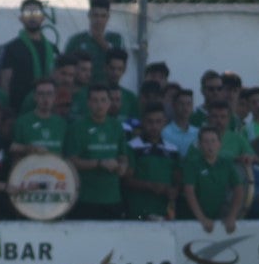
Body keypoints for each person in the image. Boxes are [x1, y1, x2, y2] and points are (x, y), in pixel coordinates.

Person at [64, 85, 127, 220]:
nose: (99, 105)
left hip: (112, 198)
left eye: (103, 100)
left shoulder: (116, 126)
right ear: (88, 103)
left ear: (109, 103)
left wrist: (122, 166)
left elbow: (122, 156)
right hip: (86, 198)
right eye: (95, 100)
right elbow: (71, 161)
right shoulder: (77, 127)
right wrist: (99, 163)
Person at [0, 0, 59, 116]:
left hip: (48, 111)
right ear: (21, 18)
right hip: (19, 109)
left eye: (36, 13)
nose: (32, 17)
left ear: (43, 17)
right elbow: (5, 81)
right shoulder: (11, 48)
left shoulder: (52, 49)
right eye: (27, 13)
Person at [123, 103, 180, 220]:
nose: (154, 126)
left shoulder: (173, 149)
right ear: (143, 122)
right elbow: (126, 180)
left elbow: (177, 179)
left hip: (165, 213)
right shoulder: (131, 147)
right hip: (137, 212)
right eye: (150, 122)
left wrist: (174, 190)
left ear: (164, 123)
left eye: (158, 122)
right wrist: (150, 186)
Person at [182, 127, 243, 233]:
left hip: (219, 217)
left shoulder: (226, 163)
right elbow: (189, 192)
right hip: (191, 220)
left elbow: (239, 189)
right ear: (199, 145)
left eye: (213, 141)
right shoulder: (192, 164)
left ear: (219, 144)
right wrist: (202, 218)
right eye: (205, 141)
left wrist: (232, 216)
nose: (210, 145)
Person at [63, 0, 123, 85]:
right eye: (95, 15)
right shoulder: (76, 40)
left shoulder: (116, 39)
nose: (99, 20)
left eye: (103, 16)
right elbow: (65, 65)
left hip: (107, 88)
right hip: (81, 88)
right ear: (89, 15)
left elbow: (119, 62)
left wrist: (102, 42)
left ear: (108, 18)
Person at [11, 78, 67, 159]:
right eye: (41, 94)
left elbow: (66, 154)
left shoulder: (62, 123)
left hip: (55, 166)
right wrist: (29, 149)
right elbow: (13, 149)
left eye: (49, 93)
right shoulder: (22, 122)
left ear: (55, 96)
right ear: (35, 97)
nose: (45, 98)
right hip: (31, 166)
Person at [163, 89, 199, 155]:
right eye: (181, 104)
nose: (185, 108)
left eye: (188, 104)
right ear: (174, 106)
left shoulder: (198, 133)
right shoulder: (165, 132)